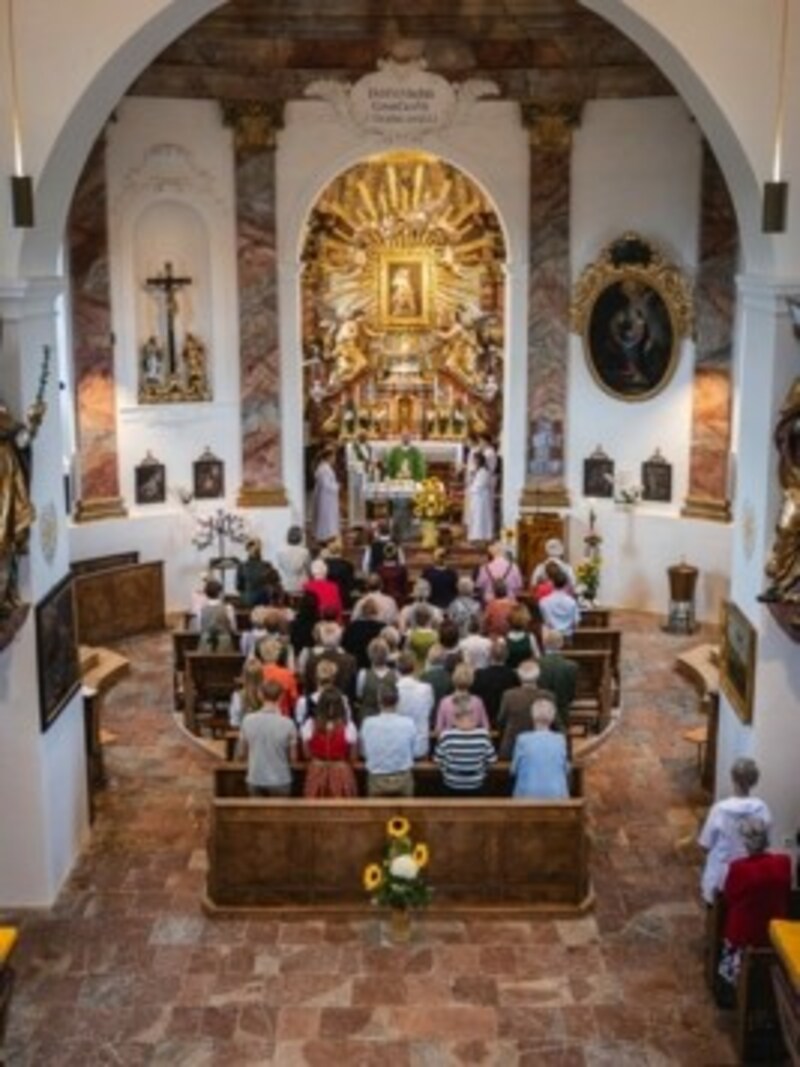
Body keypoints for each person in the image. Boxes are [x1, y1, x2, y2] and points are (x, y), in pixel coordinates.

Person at [716, 816, 791, 1001]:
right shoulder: (784, 863)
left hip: (744, 939)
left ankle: (728, 993)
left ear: (745, 842)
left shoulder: (739, 869)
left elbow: (729, 897)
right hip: (773, 934)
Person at [698, 757, 772, 905]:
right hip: (750, 875)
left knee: (717, 919)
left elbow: (705, 845)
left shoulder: (720, 809)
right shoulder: (762, 809)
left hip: (721, 877)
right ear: (754, 781)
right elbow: (765, 843)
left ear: (732, 778)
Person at [235, 679, 298, 797]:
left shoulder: (248, 720)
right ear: (281, 697)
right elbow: (293, 757)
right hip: (280, 778)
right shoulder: (288, 724)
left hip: (255, 777)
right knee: (280, 815)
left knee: (256, 815)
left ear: (261, 695)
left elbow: (241, 753)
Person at [360, 681, 418, 797]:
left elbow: (364, 752)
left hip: (378, 777)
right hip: (402, 776)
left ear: (379, 701)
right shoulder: (408, 723)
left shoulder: (368, 723)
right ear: (398, 701)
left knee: (376, 814)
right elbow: (414, 751)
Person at [433, 696, 497, 796]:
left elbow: (438, 760)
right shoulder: (483, 735)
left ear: (455, 718)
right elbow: (492, 760)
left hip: (451, 782)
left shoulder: (446, 735)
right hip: (477, 783)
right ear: (473, 716)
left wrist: (448, 771)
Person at [301, 688, 359, 799]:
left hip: (317, 770)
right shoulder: (349, 726)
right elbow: (353, 756)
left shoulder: (310, 724)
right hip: (340, 771)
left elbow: (307, 754)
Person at [511, 696, 570, 799]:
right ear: (552, 717)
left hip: (527, 795)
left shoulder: (522, 739)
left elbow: (513, 770)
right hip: (557, 795)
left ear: (532, 716)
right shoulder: (560, 739)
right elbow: (566, 769)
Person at [497, 659, 548, 760]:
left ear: (519, 676)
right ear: (538, 676)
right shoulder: (547, 696)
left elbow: (501, 720)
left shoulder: (508, 695)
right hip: (539, 747)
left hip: (513, 746)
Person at [385, 431, 426, 542]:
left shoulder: (416, 452)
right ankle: (397, 531)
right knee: (398, 507)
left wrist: (419, 481)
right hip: (397, 484)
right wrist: (389, 477)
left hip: (411, 483)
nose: (405, 439)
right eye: (403, 437)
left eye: (407, 437)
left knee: (408, 506)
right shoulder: (394, 451)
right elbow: (389, 465)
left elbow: (420, 467)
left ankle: (407, 532)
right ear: (400, 438)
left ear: (410, 438)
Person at [471, 638, 519, 729]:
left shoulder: (479, 675)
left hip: (485, 718)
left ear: (489, 656)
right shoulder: (513, 676)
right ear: (506, 656)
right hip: (504, 721)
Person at [537, 627, 578, 731]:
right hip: (562, 711)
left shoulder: (537, 664)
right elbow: (571, 694)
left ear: (545, 644)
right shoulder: (571, 666)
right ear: (561, 644)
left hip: (541, 712)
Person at [395, 652, 435, 758]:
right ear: (414, 667)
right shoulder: (426, 688)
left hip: (400, 745)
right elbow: (429, 708)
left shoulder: (394, 689)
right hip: (419, 745)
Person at [434, 663, 490, 734]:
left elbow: (438, 729)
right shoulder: (477, 701)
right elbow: (486, 727)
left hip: (451, 742)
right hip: (473, 741)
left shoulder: (445, 702)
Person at [236, 537, 279, 608]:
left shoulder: (242, 566)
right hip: (263, 603)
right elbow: (276, 583)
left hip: (246, 602)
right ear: (260, 550)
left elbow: (239, 587)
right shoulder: (267, 566)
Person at [538, 567, 580, 636]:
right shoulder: (572, 602)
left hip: (550, 636)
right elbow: (576, 621)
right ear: (566, 584)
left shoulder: (543, 601)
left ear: (552, 583)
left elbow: (544, 619)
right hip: (567, 635)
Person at [197, 579, 237, 652]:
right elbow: (233, 628)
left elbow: (200, 628)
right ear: (220, 593)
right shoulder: (228, 608)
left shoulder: (201, 610)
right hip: (224, 643)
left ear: (206, 593)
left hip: (206, 643)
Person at [312, 447, 340, 544]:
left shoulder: (325, 467)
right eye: (333, 457)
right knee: (326, 517)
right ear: (329, 457)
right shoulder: (324, 469)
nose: (334, 459)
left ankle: (328, 535)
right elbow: (326, 484)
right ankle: (326, 536)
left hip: (327, 496)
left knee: (327, 517)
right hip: (326, 497)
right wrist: (337, 486)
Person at [228, 657, 265, 728]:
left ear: (243, 676)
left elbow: (234, 722)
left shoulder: (237, 697)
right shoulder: (267, 696)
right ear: (262, 676)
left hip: (244, 733)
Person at [467, 452, 494, 543]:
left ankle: (481, 536)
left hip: (480, 497)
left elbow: (480, 485)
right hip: (477, 497)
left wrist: (470, 489)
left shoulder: (484, 471)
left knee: (480, 517)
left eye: (475, 460)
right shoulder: (478, 471)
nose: (474, 462)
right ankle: (475, 536)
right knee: (476, 517)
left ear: (480, 460)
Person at [348, 430, 373, 527]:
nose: (364, 438)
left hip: (366, 476)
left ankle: (364, 520)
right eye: (362, 436)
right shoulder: (352, 448)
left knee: (365, 499)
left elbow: (370, 460)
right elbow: (350, 463)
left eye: (365, 436)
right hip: (356, 476)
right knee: (356, 498)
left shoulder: (368, 447)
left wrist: (370, 467)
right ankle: (355, 522)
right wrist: (363, 465)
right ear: (358, 437)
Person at [276, 525, 311, 595]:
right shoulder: (304, 552)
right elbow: (308, 569)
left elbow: (280, 567)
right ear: (300, 537)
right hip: (301, 585)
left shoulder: (280, 551)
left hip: (286, 584)